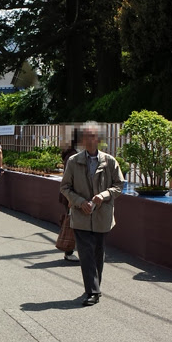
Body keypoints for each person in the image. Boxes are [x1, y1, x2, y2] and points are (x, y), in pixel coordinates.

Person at [60, 122, 124, 306]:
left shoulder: (110, 161)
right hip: (81, 215)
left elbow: (119, 185)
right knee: (86, 253)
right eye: (86, 136)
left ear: (98, 139)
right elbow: (64, 187)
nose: (89, 140)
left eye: (92, 136)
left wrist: (103, 196)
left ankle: (95, 287)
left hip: (102, 215)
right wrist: (80, 202)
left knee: (98, 252)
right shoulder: (74, 161)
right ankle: (93, 291)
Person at [58, 128, 80, 262]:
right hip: (72, 195)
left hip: (69, 194)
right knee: (73, 224)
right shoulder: (73, 156)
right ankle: (68, 250)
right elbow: (72, 178)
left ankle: (69, 250)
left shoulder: (69, 154)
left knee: (73, 223)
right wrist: (71, 197)